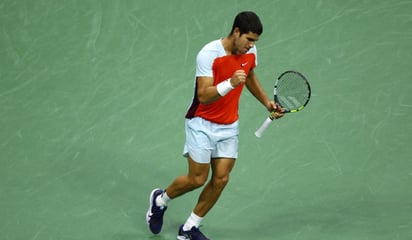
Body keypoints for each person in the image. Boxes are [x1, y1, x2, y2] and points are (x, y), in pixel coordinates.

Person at [146, 11, 284, 240]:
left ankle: (189, 228)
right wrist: (230, 83)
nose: (251, 46)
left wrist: (266, 102)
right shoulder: (209, 54)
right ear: (236, 31)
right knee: (197, 179)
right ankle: (160, 201)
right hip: (201, 123)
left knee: (221, 178)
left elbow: (249, 75)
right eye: (248, 40)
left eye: (255, 42)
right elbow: (203, 95)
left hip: (228, 126)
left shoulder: (250, 52)